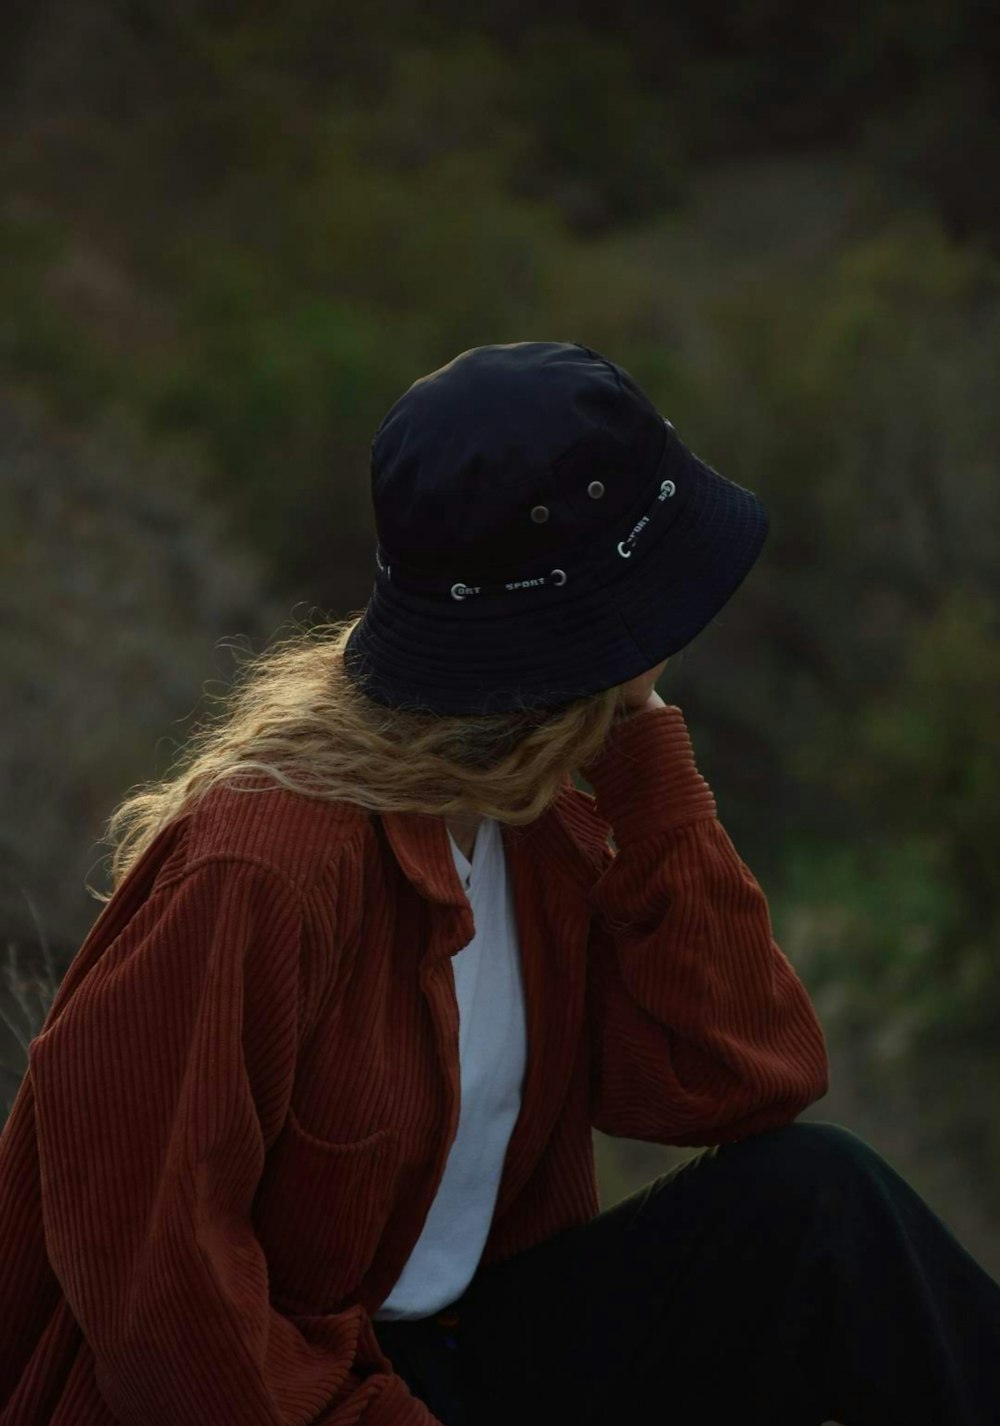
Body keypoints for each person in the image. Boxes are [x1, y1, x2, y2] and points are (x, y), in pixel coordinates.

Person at [0, 342, 997, 1426]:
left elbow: (741, 1078)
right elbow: (157, 1295)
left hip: (465, 1355)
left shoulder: (543, 819)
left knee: (818, 1205)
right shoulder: (260, 867)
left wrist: (645, 757)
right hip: (288, 1400)